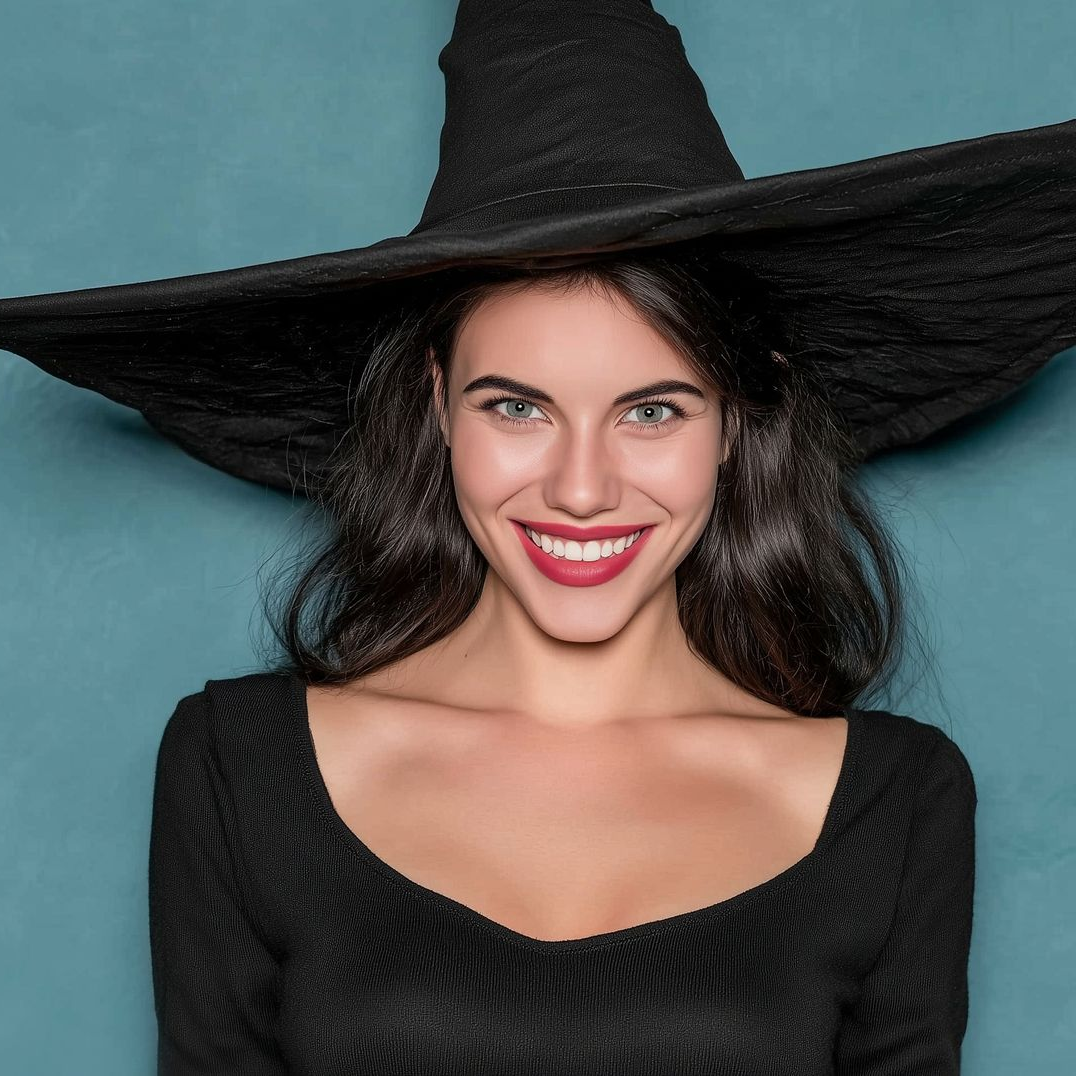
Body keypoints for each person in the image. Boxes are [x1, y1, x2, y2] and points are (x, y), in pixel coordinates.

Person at [2, 1, 1071, 1072]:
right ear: (436, 408)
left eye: (651, 409)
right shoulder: (238, 767)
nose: (578, 487)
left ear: (740, 421)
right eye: (516, 407)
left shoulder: (892, 799)